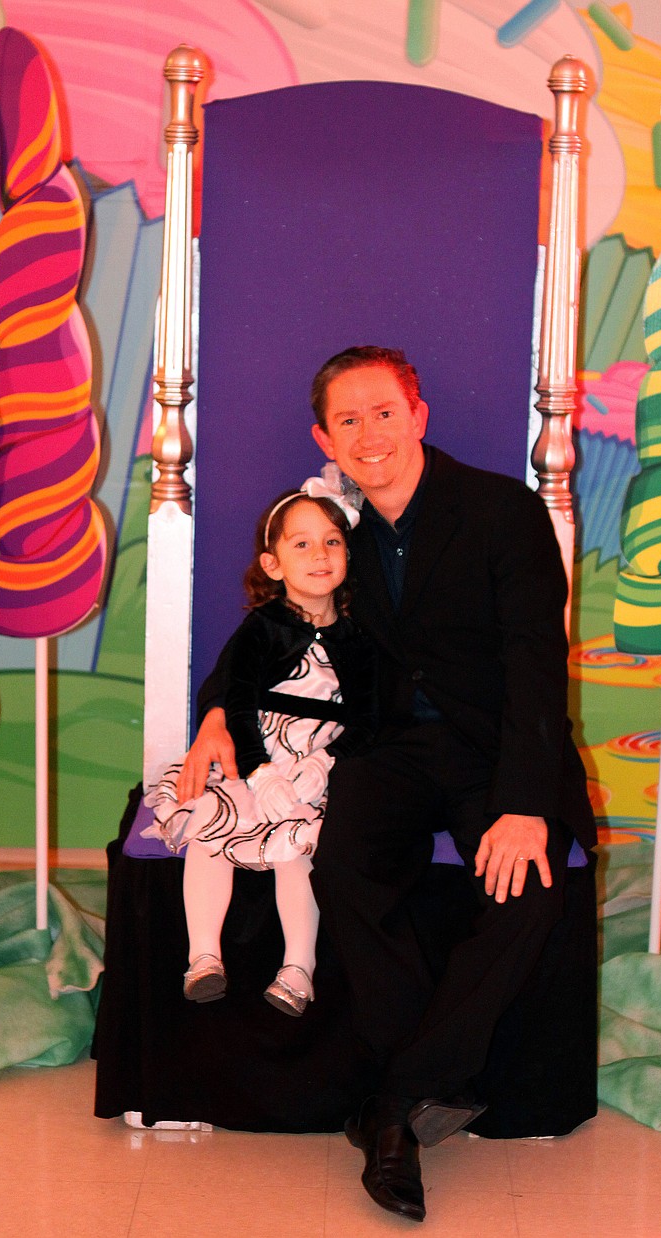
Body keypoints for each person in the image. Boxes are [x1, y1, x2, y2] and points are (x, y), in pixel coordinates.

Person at [180, 346, 596, 1222]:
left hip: (499, 751)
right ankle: (417, 1090)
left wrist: (525, 803)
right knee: (342, 866)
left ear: (419, 415)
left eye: (383, 412)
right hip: (391, 750)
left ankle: (395, 1102)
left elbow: (535, 665)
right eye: (347, 420)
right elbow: (272, 632)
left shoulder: (500, 510)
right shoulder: (339, 535)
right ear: (323, 435)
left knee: (530, 895)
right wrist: (219, 712)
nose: (368, 435)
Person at [144, 480, 376, 1017]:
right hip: (253, 758)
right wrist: (260, 772)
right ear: (272, 565)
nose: (319, 554)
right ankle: (203, 956)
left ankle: (299, 968)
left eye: (332, 542)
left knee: (298, 850)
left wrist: (326, 763)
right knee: (207, 827)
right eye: (301, 545)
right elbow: (238, 702)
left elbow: (367, 717)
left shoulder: (360, 640)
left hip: (317, 765)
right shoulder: (262, 629)